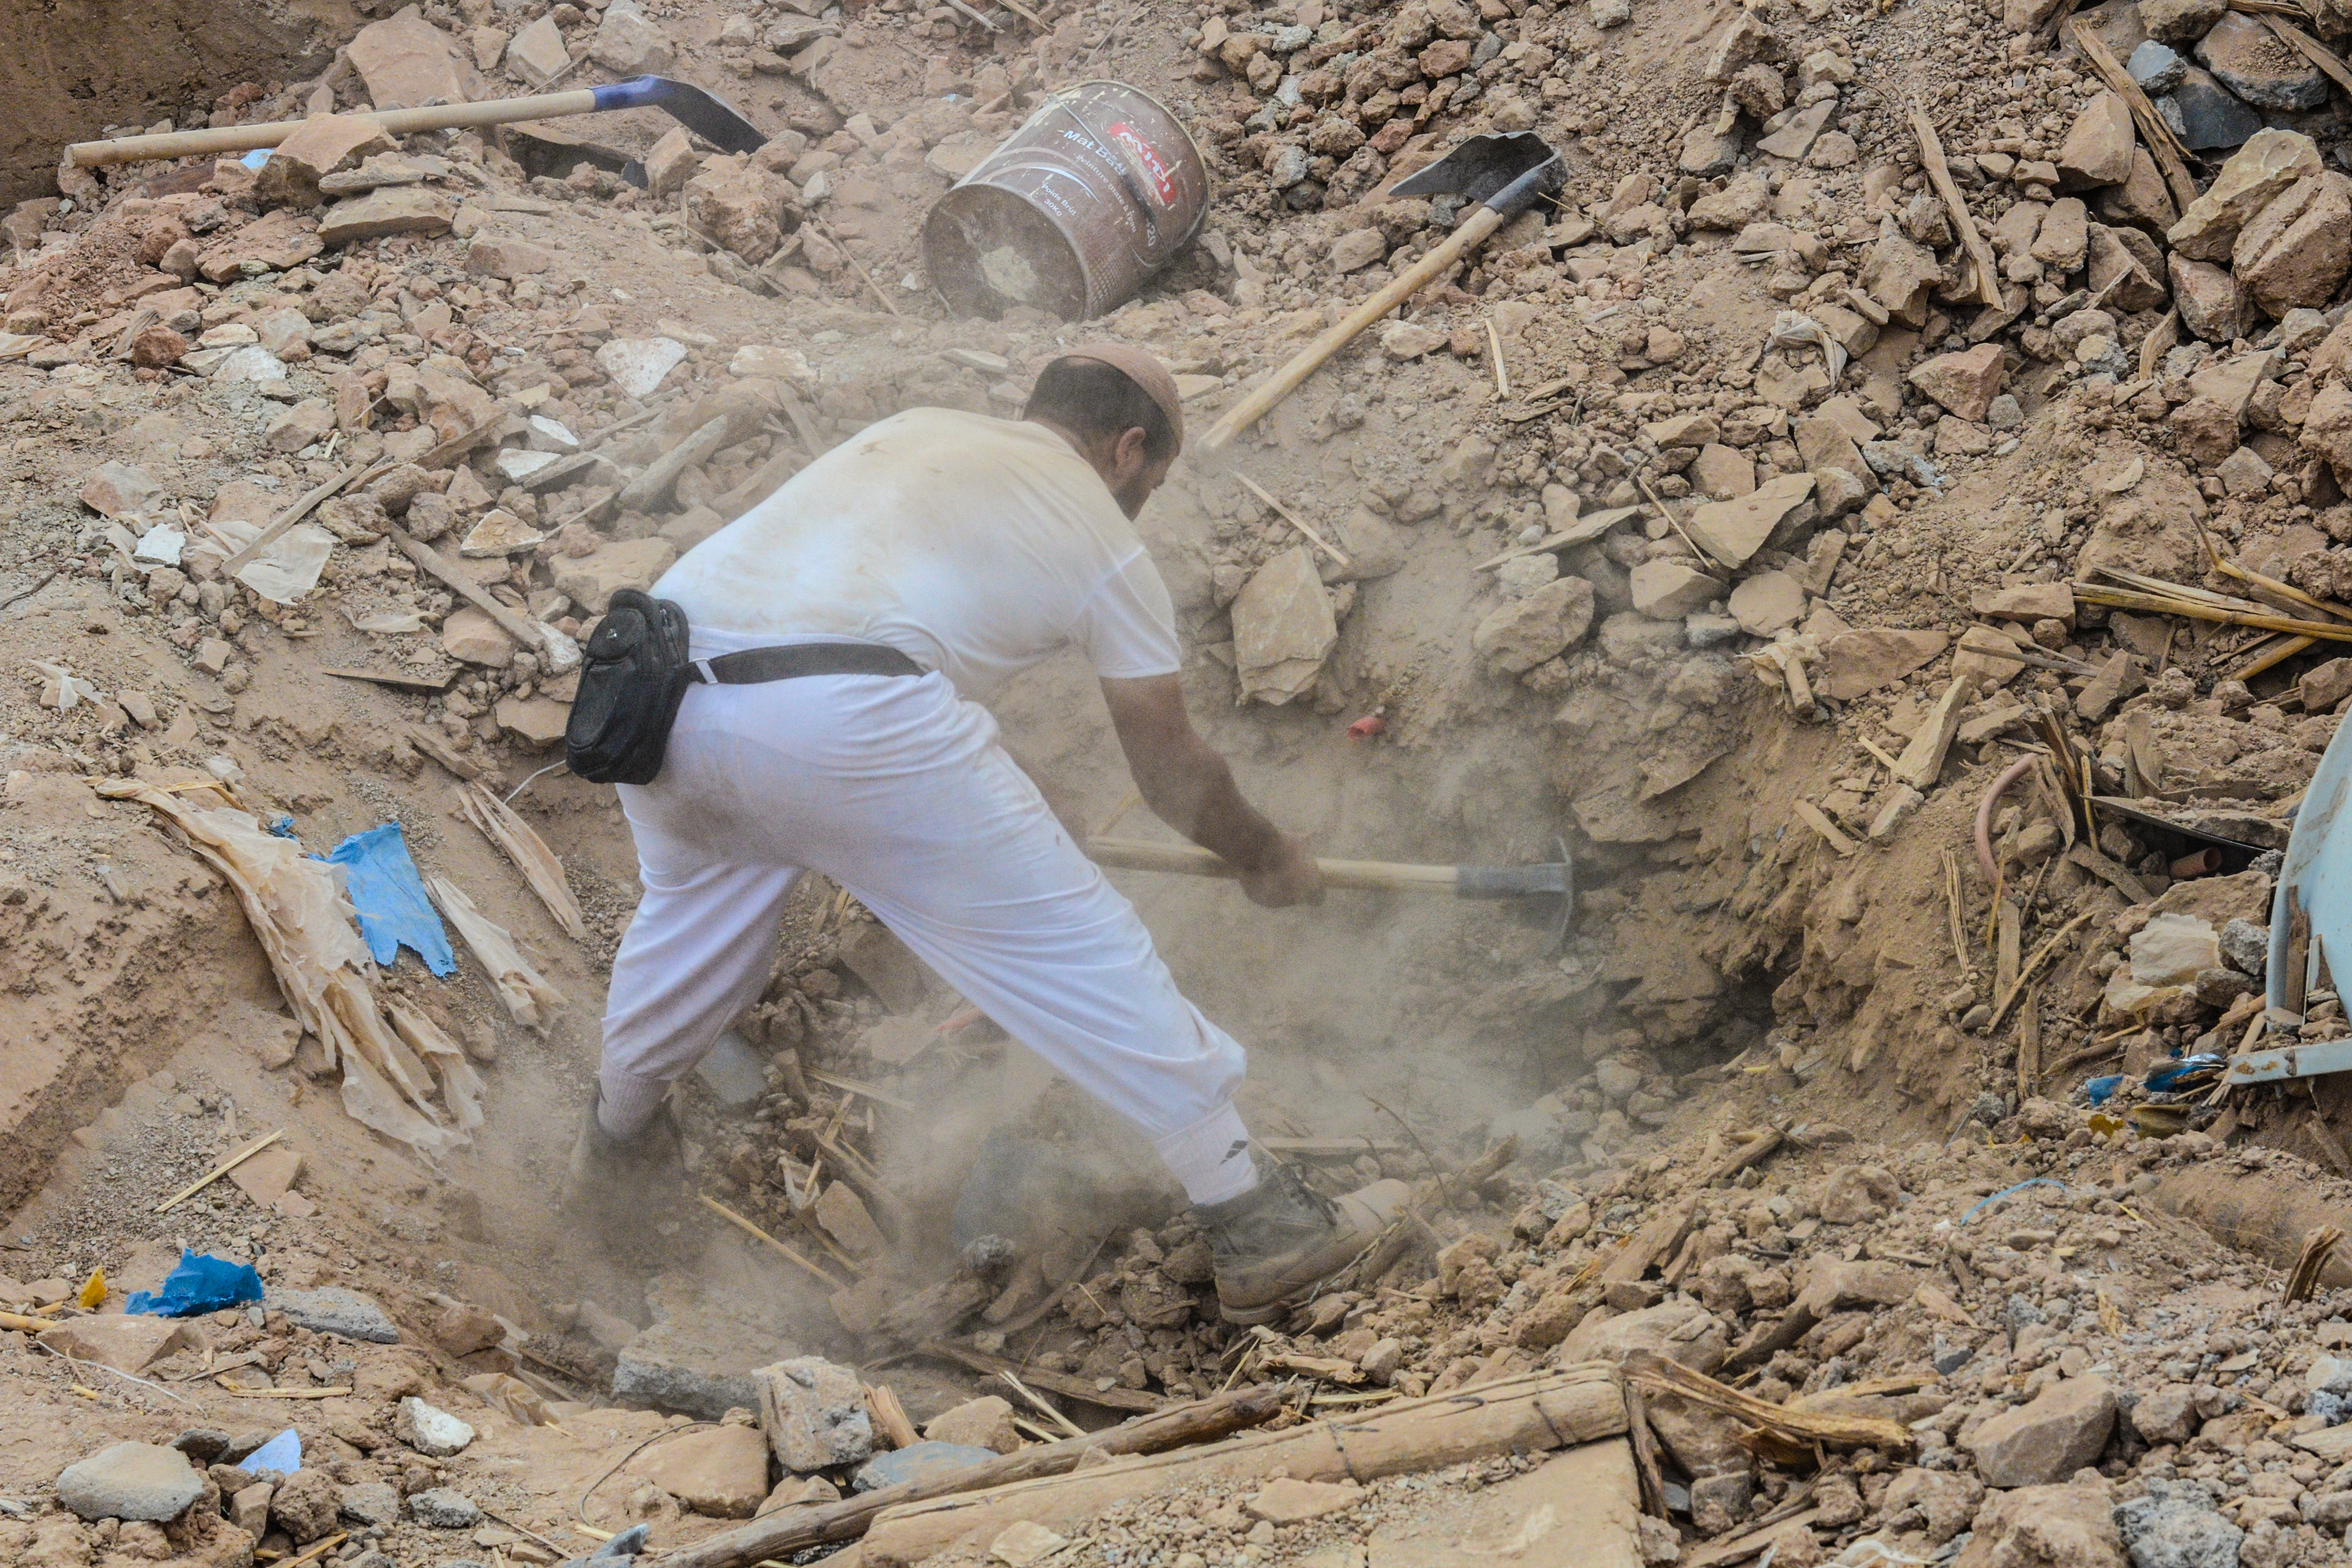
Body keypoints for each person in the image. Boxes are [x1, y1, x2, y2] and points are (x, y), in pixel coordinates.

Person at [564, 344, 1405, 1323]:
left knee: (687, 940)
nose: (1144, 501)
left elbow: (861, 631)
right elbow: (1171, 770)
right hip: (844, 722)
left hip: (654, 700)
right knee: (1079, 947)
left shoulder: (913, 434)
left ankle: (612, 1158)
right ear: (1128, 450)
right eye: (1156, 481)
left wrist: (1015, 803)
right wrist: (1265, 856)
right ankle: (1260, 1219)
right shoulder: (1097, 525)